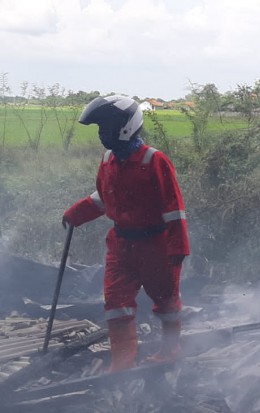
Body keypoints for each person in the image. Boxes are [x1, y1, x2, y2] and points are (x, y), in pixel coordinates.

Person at [62, 95, 190, 372]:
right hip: (121, 246)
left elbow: (174, 209)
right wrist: (76, 214)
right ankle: (123, 363)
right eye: (99, 128)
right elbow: (105, 198)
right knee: (116, 304)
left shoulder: (154, 160)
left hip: (156, 246)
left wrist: (178, 249)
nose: (101, 134)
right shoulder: (108, 160)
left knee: (166, 301)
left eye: (104, 127)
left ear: (125, 126)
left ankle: (170, 351)